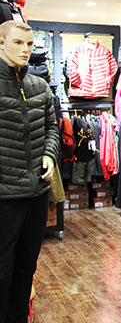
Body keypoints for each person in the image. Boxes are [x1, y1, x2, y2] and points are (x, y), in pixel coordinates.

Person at [0, 20, 60, 322]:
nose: (25, 50)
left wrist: (49, 154)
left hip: (37, 191)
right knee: (2, 269)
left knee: (26, 266)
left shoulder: (39, 85)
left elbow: (52, 127)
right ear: (1, 43)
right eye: (18, 43)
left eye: (29, 44)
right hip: (5, 196)